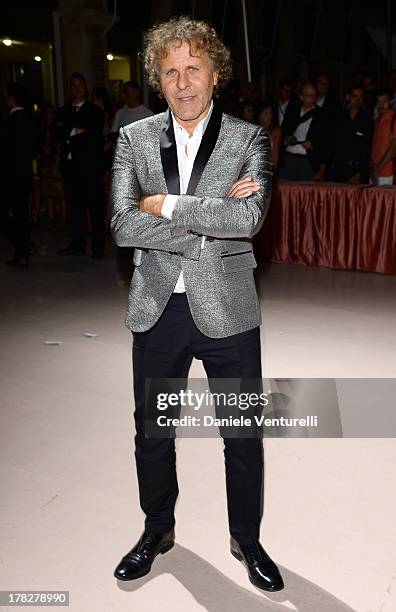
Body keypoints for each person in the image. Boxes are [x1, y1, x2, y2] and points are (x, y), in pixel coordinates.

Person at [109, 15, 284, 592]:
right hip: (157, 309)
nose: (183, 82)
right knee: (154, 431)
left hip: (229, 311)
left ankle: (246, 538)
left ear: (216, 75)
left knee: (242, 433)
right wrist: (211, 221)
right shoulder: (135, 138)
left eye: (194, 69)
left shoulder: (248, 138)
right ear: (158, 80)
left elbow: (250, 220)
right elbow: (119, 222)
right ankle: (157, 529)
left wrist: (167, 206)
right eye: (171, 72)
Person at [55, 72, 105, 259]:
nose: (76, 89)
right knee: (74, 208)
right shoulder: (63, 111)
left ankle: (98, 247)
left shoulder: (95, 112)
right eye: (73, 85)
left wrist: (67, 133)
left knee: (95, 209)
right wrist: (75, 132)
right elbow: (55, 134)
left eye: (80, 85)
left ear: (85, 88)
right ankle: (77, 244)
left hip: (89, 168)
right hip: (69, 168)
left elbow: (92, 138)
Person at [0, 82, 33, 267]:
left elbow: (8, 151)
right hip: (23, 173)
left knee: (9, 214)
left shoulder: (13, 120)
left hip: (12, 176)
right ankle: (23, 247)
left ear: (11, 98)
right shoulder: (27, 118)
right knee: (20, 214)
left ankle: (23, 245)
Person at [278, 81, 329, 181]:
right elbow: (282, 131)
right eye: (309, 95)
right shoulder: (293, 110)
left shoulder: (322, 115)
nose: (313, 98)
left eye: (314, 95)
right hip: (288, 159)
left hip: (308, 161)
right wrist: (286, 139)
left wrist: (312, 144)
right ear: (301, 97)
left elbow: (326, 143)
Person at [327, 86, 373, 184]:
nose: (357, 100)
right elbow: (332, 144)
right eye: (354, 96)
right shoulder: (338, 117)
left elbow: (367, 149)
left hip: (357, 170)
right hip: (338, 169)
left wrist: (358, 174)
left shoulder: (367, 120)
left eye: (360, 97)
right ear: (348, 97)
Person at [370, 88, 396, 186]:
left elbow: (393, 149)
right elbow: (374, 146)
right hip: (375, 172)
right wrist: (373, 168)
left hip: (387, 173)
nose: (381, 105)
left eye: (384, 101)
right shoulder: (377, 120)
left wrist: (378, 168)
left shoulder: (394, 118)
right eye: (378, 102)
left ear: (391, 101)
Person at [258, 103, 281, 172]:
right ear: (259, 116)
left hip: (269, 167)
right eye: (266, 113)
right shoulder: (255, 131)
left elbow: (275, 154)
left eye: (271, 113)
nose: (269, 116)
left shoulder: (276, 131)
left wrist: (273, 170)